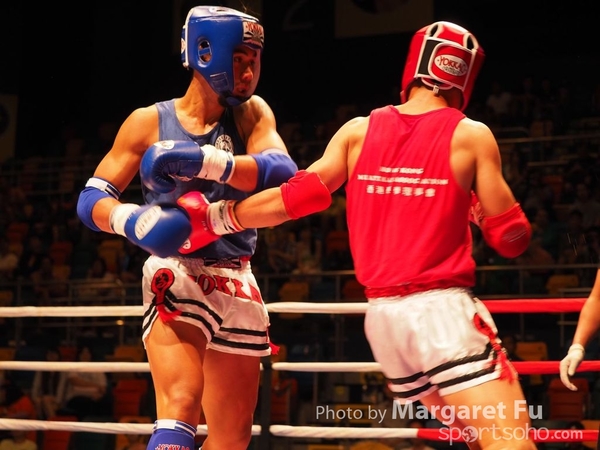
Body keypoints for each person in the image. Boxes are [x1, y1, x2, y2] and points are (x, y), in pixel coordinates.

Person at [179, 22, 536, 449]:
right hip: (442, 313)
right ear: (466, 77)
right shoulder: (471, 134)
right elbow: (511, 238)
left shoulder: (357, 131)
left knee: (477, 441)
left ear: (414, 67)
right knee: (510, 440)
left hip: (385, 322)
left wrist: (216, 218)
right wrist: (477, 207)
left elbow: (298, 197)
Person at [75, 6, 297, 450]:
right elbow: (91, 198)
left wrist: (206, 161)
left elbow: (282, 171)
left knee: (232, 438)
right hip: (177, 270)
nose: (248, 71)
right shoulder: (149, 122)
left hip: (237, 277)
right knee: (180, 404)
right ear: (205, 52)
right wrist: (131, 219)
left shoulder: (251, 114)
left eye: (254, 59)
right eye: (239, 58)